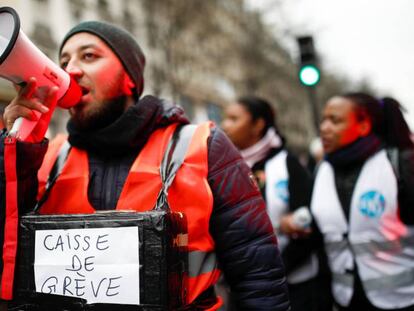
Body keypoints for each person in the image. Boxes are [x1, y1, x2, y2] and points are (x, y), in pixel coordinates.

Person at [0, 21, 290, 310]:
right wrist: (15, 146)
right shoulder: (44, 154)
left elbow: (258, 273)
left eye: (89, 56)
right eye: (64, 61)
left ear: (130, 78)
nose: (70, 70)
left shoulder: (203, 145)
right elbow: (9, 248)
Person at [221, 96, 326, 311]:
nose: (225, 125)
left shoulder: (287, 164)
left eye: (234, 118)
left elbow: (311, 226)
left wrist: (274, 271)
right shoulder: (223, 166)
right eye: (226, 118)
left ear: (258, 125)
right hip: (243, 289)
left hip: (294, 288)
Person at [312, 92, 414, 311]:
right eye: (323, 120)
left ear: (363, 126)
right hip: (344, 301)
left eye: (335, 120)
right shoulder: (321, 170)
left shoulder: (400, 163)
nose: (324, 128)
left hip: (402, 301)